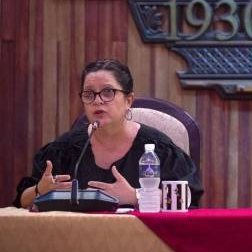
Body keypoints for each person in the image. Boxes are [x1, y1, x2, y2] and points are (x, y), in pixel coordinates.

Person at [14, 59, 204, 209]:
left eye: (108, 92)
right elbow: (22, 199)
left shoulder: (158, 148)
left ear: (128, 100)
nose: (97, 101)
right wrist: (41, 190)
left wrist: (136, 196)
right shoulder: (65, 150)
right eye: (89, 94)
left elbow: (188, 195)